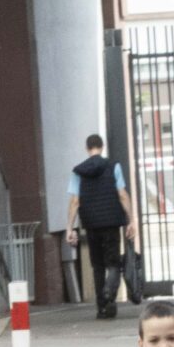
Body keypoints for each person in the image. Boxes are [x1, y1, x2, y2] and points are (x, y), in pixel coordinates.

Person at [64, 133, 139, 321]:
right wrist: (131, 219)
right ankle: (108, 294)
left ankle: (102, 308)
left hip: (90, 224)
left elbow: (74, 201)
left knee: (97, 265)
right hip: (111, 222)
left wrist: (69, 228)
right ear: (102, 147)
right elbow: (122, 194)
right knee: (113, 263)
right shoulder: (114, 167)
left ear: (87, 148)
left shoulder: (78, 171)